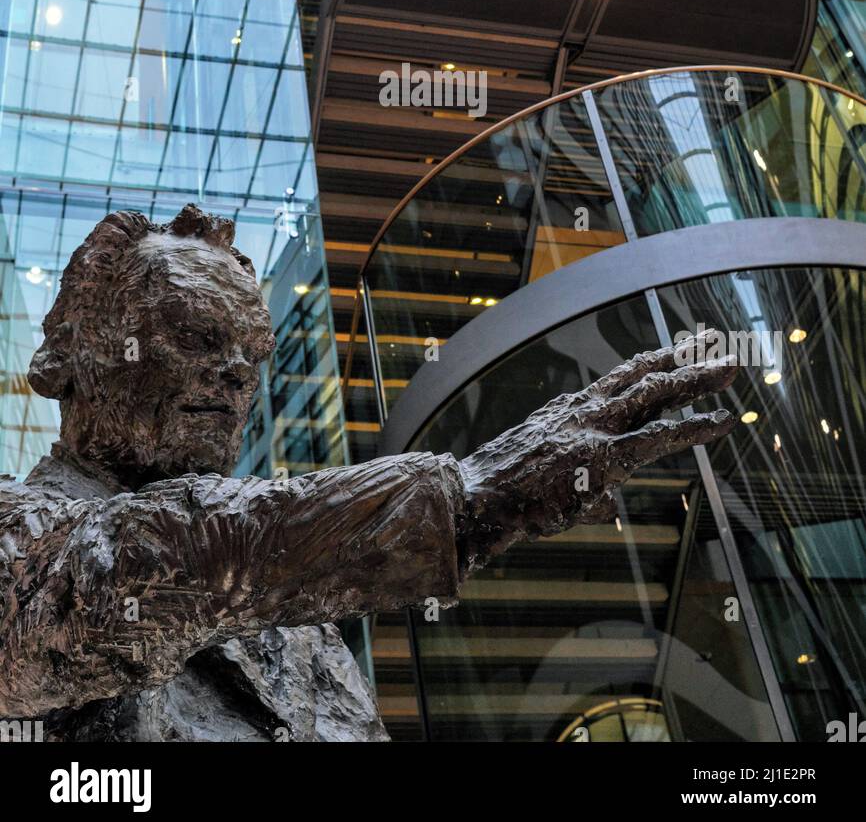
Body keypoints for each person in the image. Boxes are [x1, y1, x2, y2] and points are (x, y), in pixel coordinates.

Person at [0, 205, 738, 741]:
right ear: (61, 358)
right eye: (195, 335)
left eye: (253, 356)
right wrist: (472, 497)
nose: (233, 374)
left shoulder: (302, 633)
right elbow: (138, 561)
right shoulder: (20, 538)